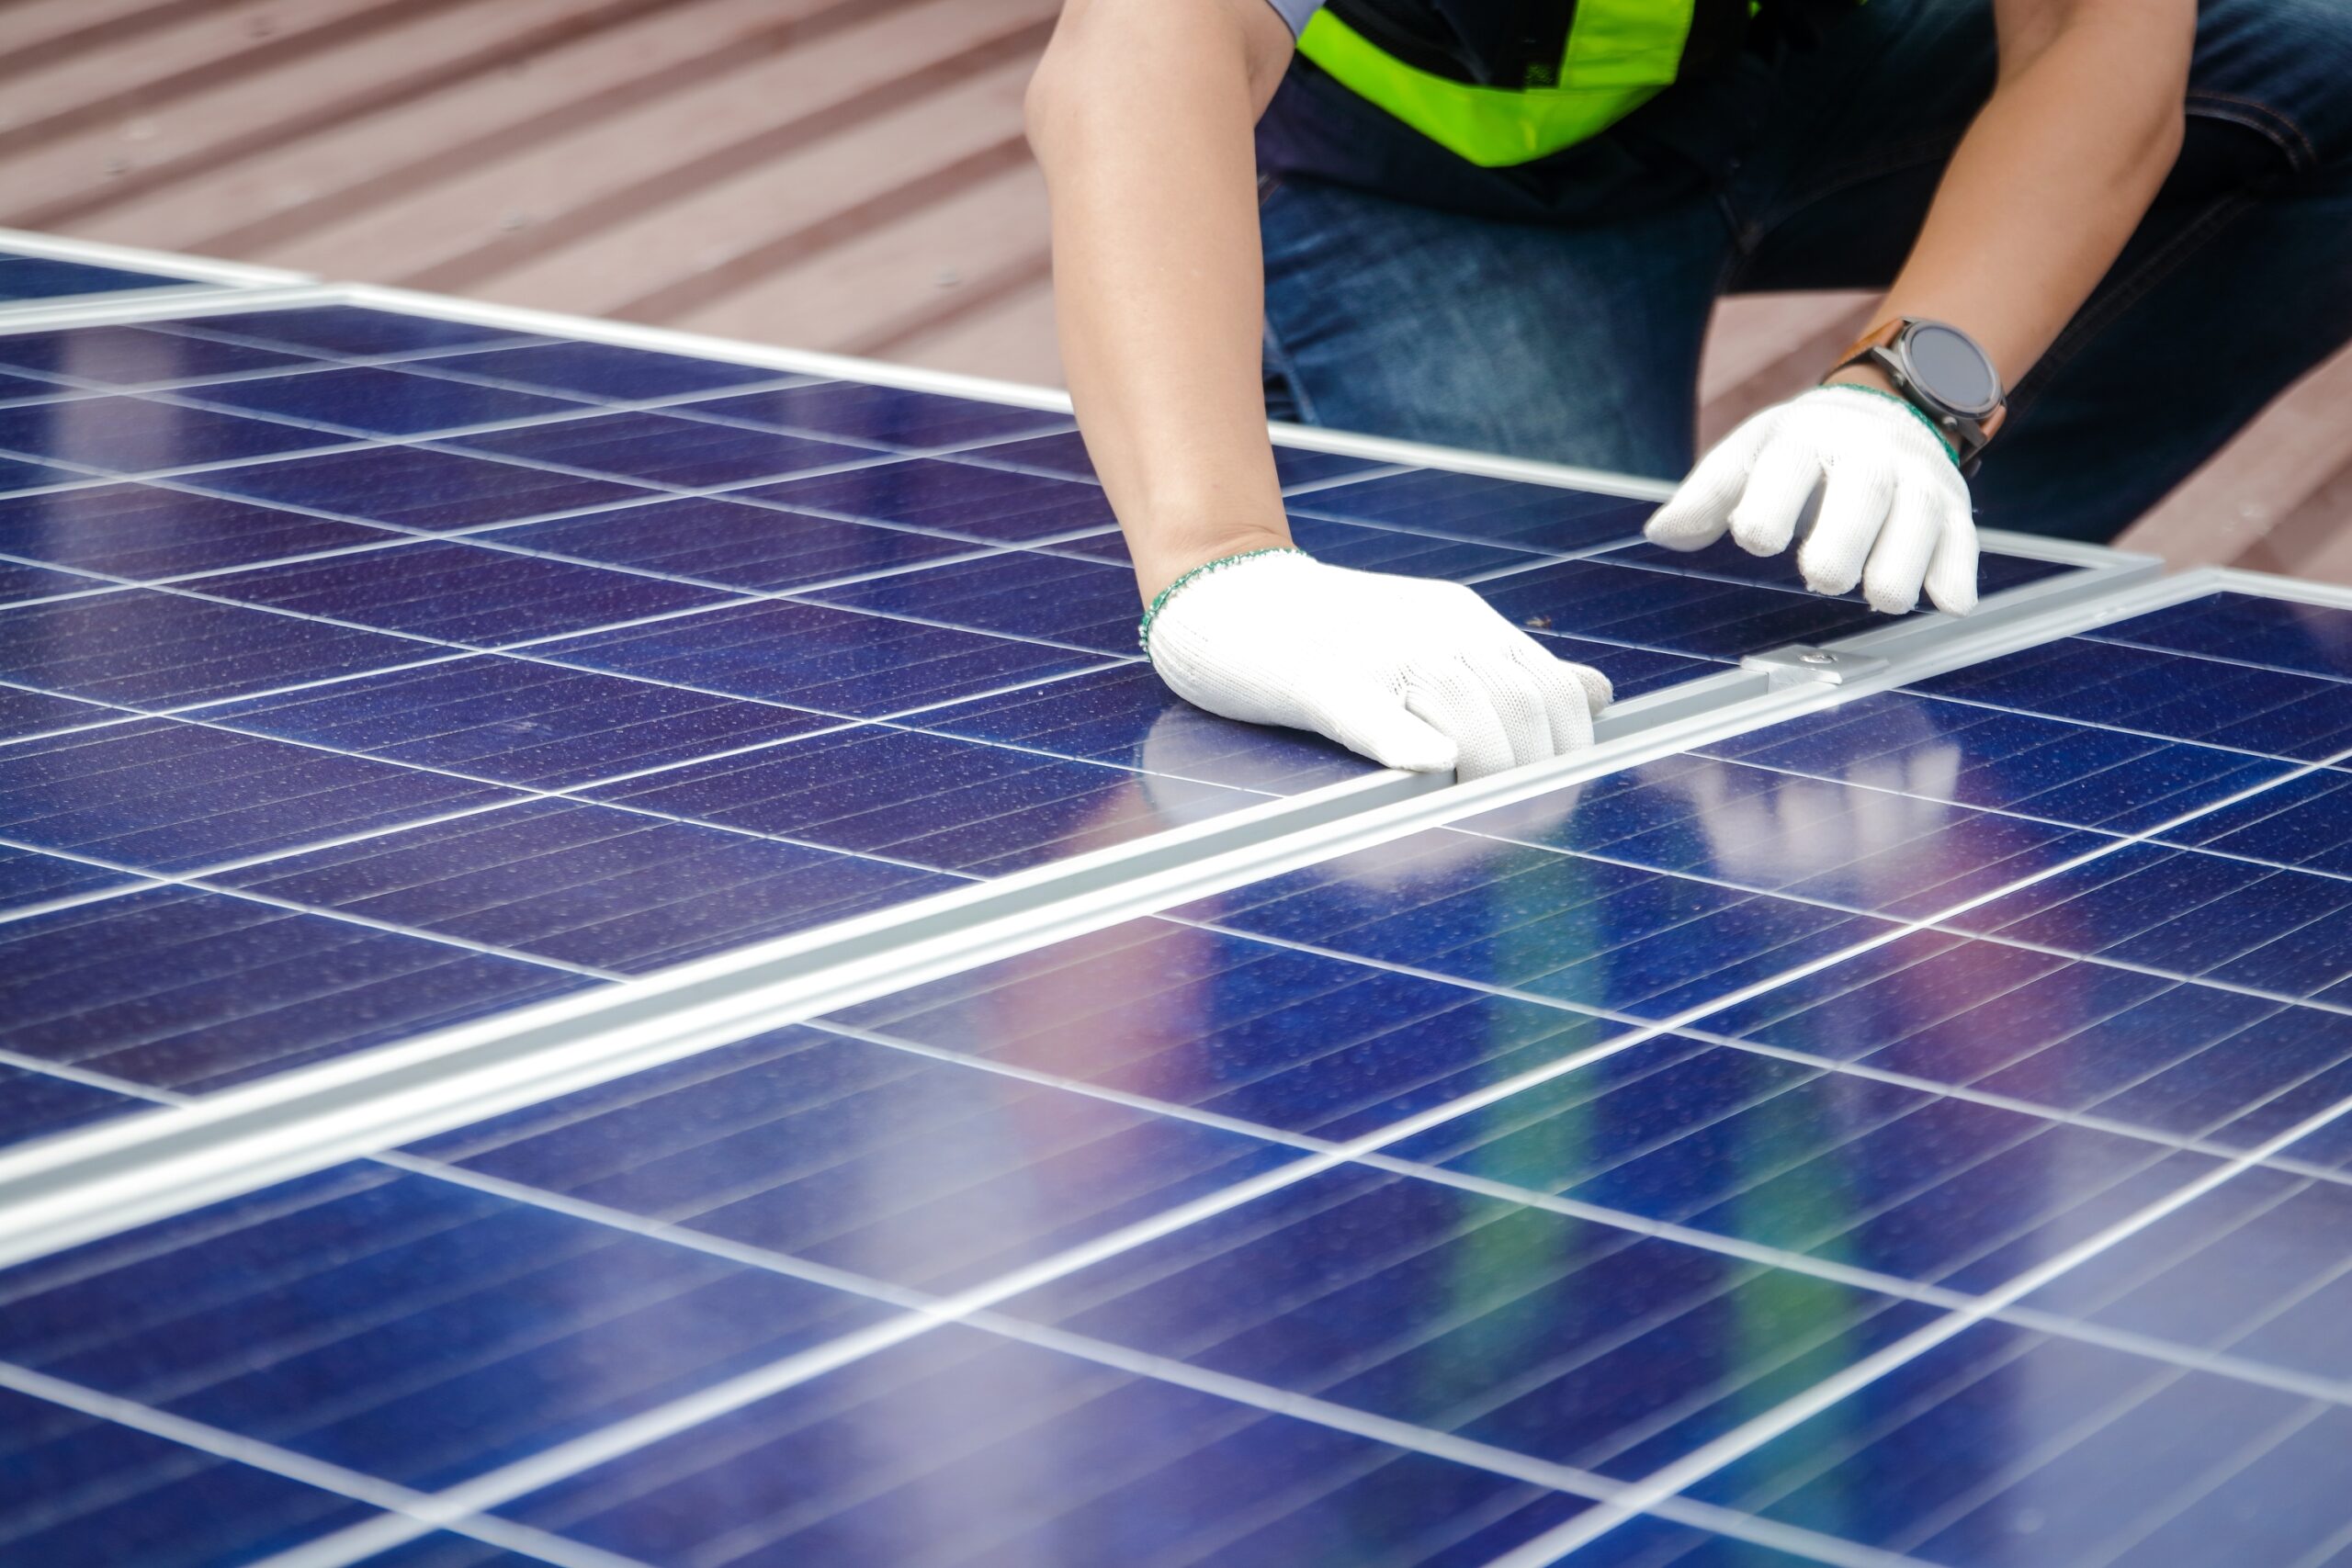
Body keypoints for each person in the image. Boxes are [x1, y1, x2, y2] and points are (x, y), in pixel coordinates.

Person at [1023, 0, 2352, 780]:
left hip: (1799, 66)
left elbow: (2090, 33)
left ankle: (1940, 553)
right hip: (1459, 181)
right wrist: (1215, 559)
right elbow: (1143, 46)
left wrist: (1916, 399)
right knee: (1539, 701)